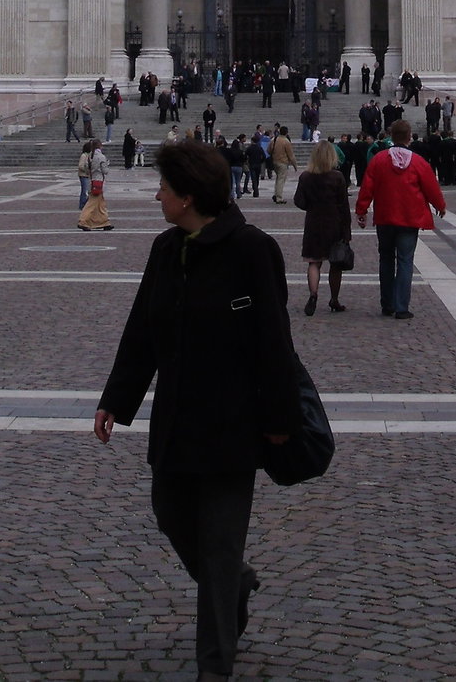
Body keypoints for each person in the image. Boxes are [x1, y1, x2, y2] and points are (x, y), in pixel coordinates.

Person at [94, 140, 302, 682]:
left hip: (235, 424)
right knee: (170, 513)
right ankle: (235, 584)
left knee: (219, 543)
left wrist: (280, 420)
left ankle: (215, 663)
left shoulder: (253, 250)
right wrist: (116, 399)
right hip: (177, 419)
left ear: (187, 196)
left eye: (163, 188)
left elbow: (274, 342)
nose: (157, 195)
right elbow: (142, 331)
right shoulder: (166, 249)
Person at [356, 119, 447, 319]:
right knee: (405, 260)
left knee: (386, 259)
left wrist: (361, 210)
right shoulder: (418, 162)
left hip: (385, 217)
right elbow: (431, 187)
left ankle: (387, 304)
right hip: (409, 217)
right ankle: (401, 306)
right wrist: (440, 206)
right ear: (409, 137)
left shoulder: (379, 160)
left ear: (391, 135)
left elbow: (367, 187)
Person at [294, 140, 352, 314]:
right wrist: (347, 230)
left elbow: (299, 201)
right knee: (336, 263)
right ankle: (334, 299)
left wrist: (311, 206)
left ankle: (313, 295)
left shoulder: (305, 177)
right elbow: (344, 206)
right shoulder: (337, 177)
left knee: (314, 262)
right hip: (334, 222)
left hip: (313, 222)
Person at [269, 126, 296, 204]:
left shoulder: (274, 140)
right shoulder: (286, 142)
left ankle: (276, 194)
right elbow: (291, 155)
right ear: (287, 133)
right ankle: (279, 197)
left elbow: (268, 150)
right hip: (283, 162)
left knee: (278, 179)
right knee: (281, 180)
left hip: (274, 161)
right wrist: (294, 165)